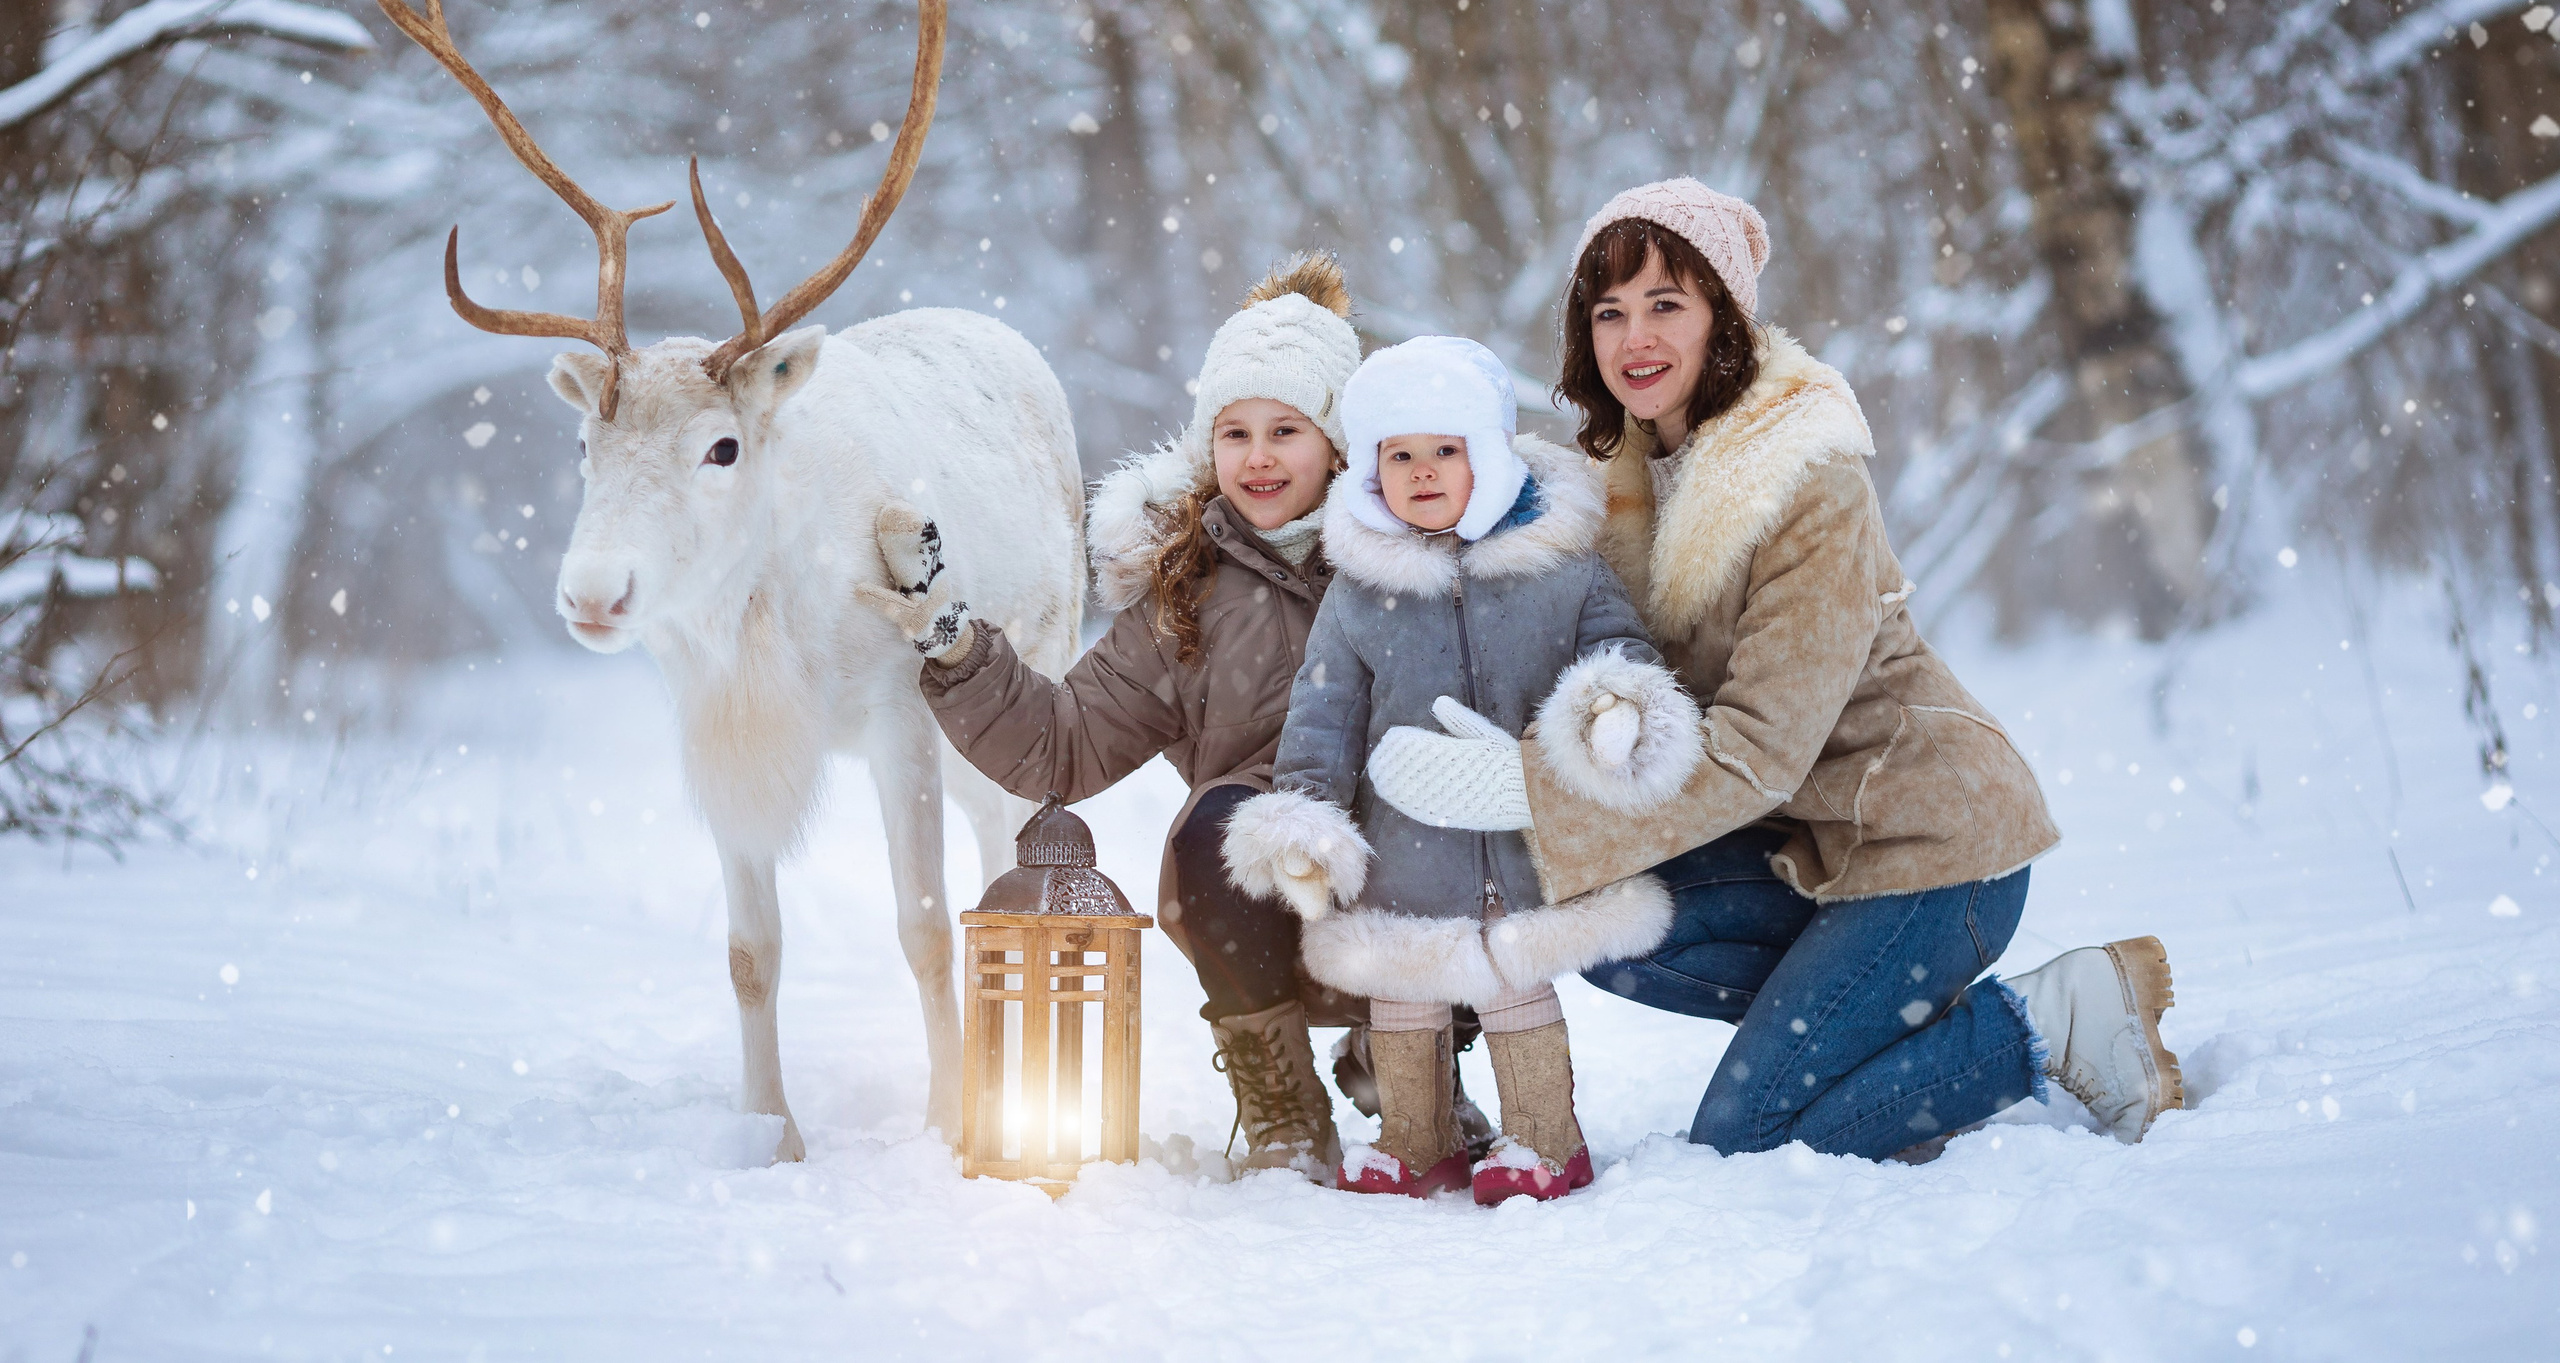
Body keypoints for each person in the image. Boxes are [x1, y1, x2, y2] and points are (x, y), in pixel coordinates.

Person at [1370, 177, 2184, 1161]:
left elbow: (1759, 749)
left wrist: (1531, 790)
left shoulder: (1803, 478)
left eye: (1666, 303)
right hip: (1801, 854)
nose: (1635, 336)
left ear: (1724, 314)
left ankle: (2050, 1023)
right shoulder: (1622, 479)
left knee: (1750, 1138)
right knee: (1605, 925)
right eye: (1608, 310)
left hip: (1923, 847)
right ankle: (1873, 1039)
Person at [852, 254, 1371, 1175]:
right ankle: (1282, 1105)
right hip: (1266, 863)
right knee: (1219, 834)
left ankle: (1426, 1075)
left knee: (1445, 810)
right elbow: (1064, 742)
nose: (1257, 456)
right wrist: (955, 641)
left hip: (1398, 834)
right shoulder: (1190, 598)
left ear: (1338, 443)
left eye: (1286, 429)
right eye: (1235, 431)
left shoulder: (1400, 559)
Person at [1221, 335, 1701, 1201]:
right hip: (1403, 843)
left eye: (1446, 450)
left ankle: (1545, 1136)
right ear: (1371, 469)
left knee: (1517, 981)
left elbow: (1617, 643)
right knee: (1402, 996)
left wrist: (1614, 700)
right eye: (1399, 455)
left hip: (1519, 835)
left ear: (1488, 453)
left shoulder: (1559, 562)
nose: (1424, 471)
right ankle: (1416, 1134)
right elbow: (1323, 710)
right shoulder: (1361, 587)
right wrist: (1305, 819)